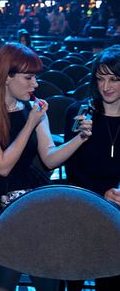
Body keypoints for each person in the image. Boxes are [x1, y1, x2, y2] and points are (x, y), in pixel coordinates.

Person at [0, 42, 92, 291]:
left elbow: (50, 158)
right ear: (6, 77)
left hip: (28, 192)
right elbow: (1, 166)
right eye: (28, 77)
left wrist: (80, 138)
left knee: (40, 243)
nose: (35, 84)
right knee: (25, 238)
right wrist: (30, 124)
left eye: (35, 78)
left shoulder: (33, 109)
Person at [64, 45, 120, 291]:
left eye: (114, 80)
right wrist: (101, 192)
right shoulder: (80, 113)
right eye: (101, 79)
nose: (106, 87)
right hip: (84, 197)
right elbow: (72, 168)